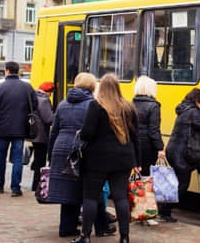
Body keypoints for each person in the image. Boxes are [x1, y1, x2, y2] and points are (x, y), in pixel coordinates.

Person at [74, 73, 141, 243]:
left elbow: (88, 134)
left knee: (90, 197)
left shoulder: (95, 106)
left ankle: (86, 236)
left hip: (97, 160)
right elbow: (135, 138)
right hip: (123, 159)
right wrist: (137, 162)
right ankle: (125, 237)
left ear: (101, 88)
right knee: (120, 197)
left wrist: (82, 133)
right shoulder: (128, 108)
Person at [48, 73, 96, 238]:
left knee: (65, 188)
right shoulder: (92, 104)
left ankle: (66, 226)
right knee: (82, 188)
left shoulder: (63, 103)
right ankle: (76, 227)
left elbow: (53, 131)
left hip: (60, 146)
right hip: (81, 148)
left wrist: (50, 153)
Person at [0, 61, 37, 197]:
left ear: (7, 71)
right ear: (17, 71)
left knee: (0, 158)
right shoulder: (27, 87)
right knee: (17, 159)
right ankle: (15, 188)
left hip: (3, 129)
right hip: (20, 129)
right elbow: (35, 106)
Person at [162, 88, 200, 222]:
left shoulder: (185, 110)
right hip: (180, 154)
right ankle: (164, 211)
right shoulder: (193, 112)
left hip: (174, 151)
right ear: (197, 101)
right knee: (182, 184)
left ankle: (164, 208)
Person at [132, 76, 165, 225]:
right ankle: (147, 214)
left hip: (132, 145)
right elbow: (153, 131)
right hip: (147, 147)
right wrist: (160, 148)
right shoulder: (154, 106)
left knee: (136, 180)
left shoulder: (131, 104)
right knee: (147, 180)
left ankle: (136, 211)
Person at [29, 81, 55, 191]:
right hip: (41, 135)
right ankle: (36, 185)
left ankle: (35, 184)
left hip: (33, 133)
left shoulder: (34, 97)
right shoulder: (44, 100)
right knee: (40, 160)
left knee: (37, 158)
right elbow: (48, 118)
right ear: (48, 91)